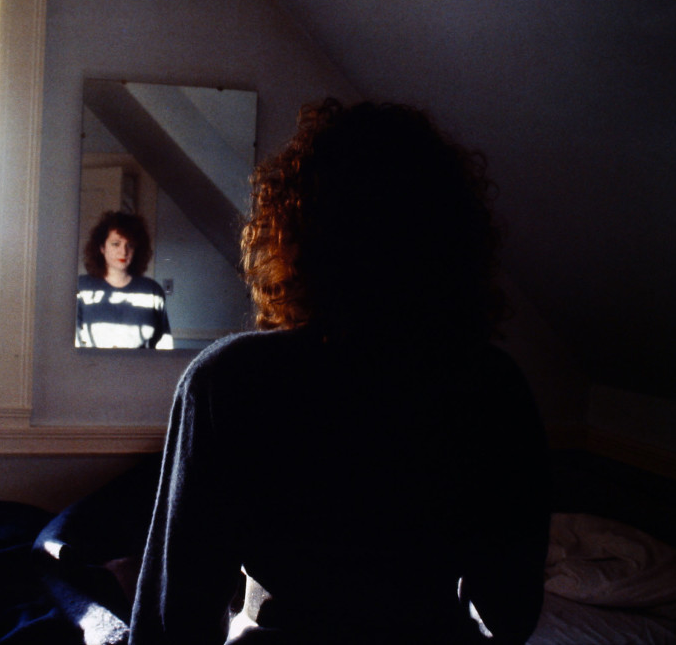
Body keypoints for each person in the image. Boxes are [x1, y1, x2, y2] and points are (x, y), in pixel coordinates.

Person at [128, 100, 549, 644]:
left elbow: (176, 613)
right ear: (452, 237)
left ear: (297, 232)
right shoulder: (494, 388)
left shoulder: (229, 382)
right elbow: (512, 610)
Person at [77, 210, 173, 349]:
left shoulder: (152, 291)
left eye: (130, 245)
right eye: (116, 244)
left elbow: (163, 345)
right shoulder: (82, 288)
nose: (123, 251)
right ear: (102, 247)